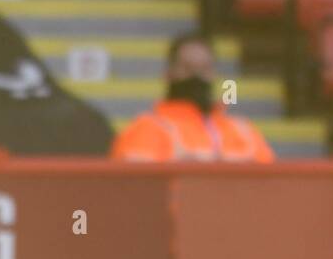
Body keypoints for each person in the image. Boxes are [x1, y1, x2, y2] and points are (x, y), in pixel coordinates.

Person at [111, 32, 274, 163]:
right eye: (187, 68)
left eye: (204, 68)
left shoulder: (242, 131)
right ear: (168, 75)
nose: (196, 76)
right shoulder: (147, 129)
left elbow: (271, 184)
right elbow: (134, 189)